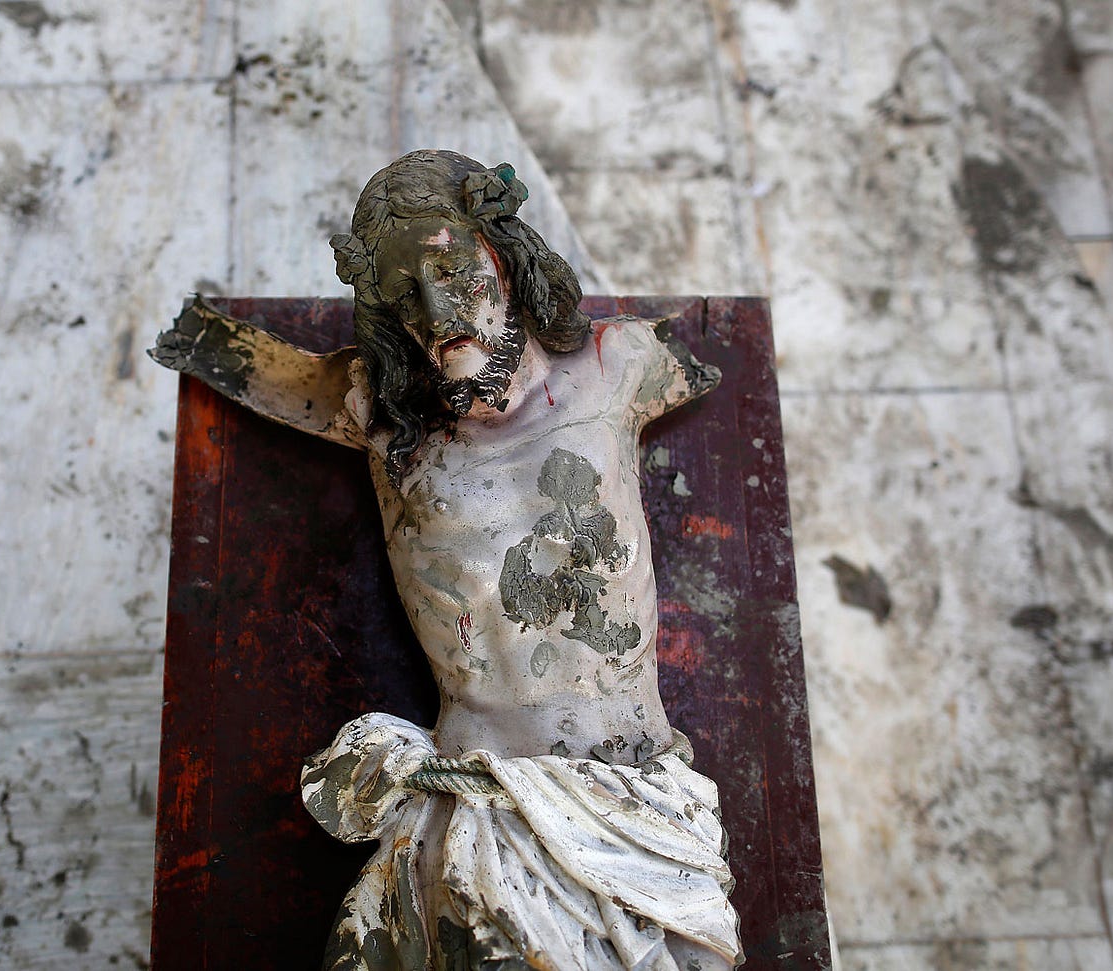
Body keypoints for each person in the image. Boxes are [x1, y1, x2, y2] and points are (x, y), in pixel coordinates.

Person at [150, 150, 742, 970]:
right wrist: (192, 333)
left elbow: (722, 347)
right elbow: (262, 371)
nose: (436, 314)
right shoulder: (382, 415)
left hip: (637, 796)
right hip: (485, 809)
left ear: (502, 253)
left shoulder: (620, 368)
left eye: (451, 269)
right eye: (403, 294)